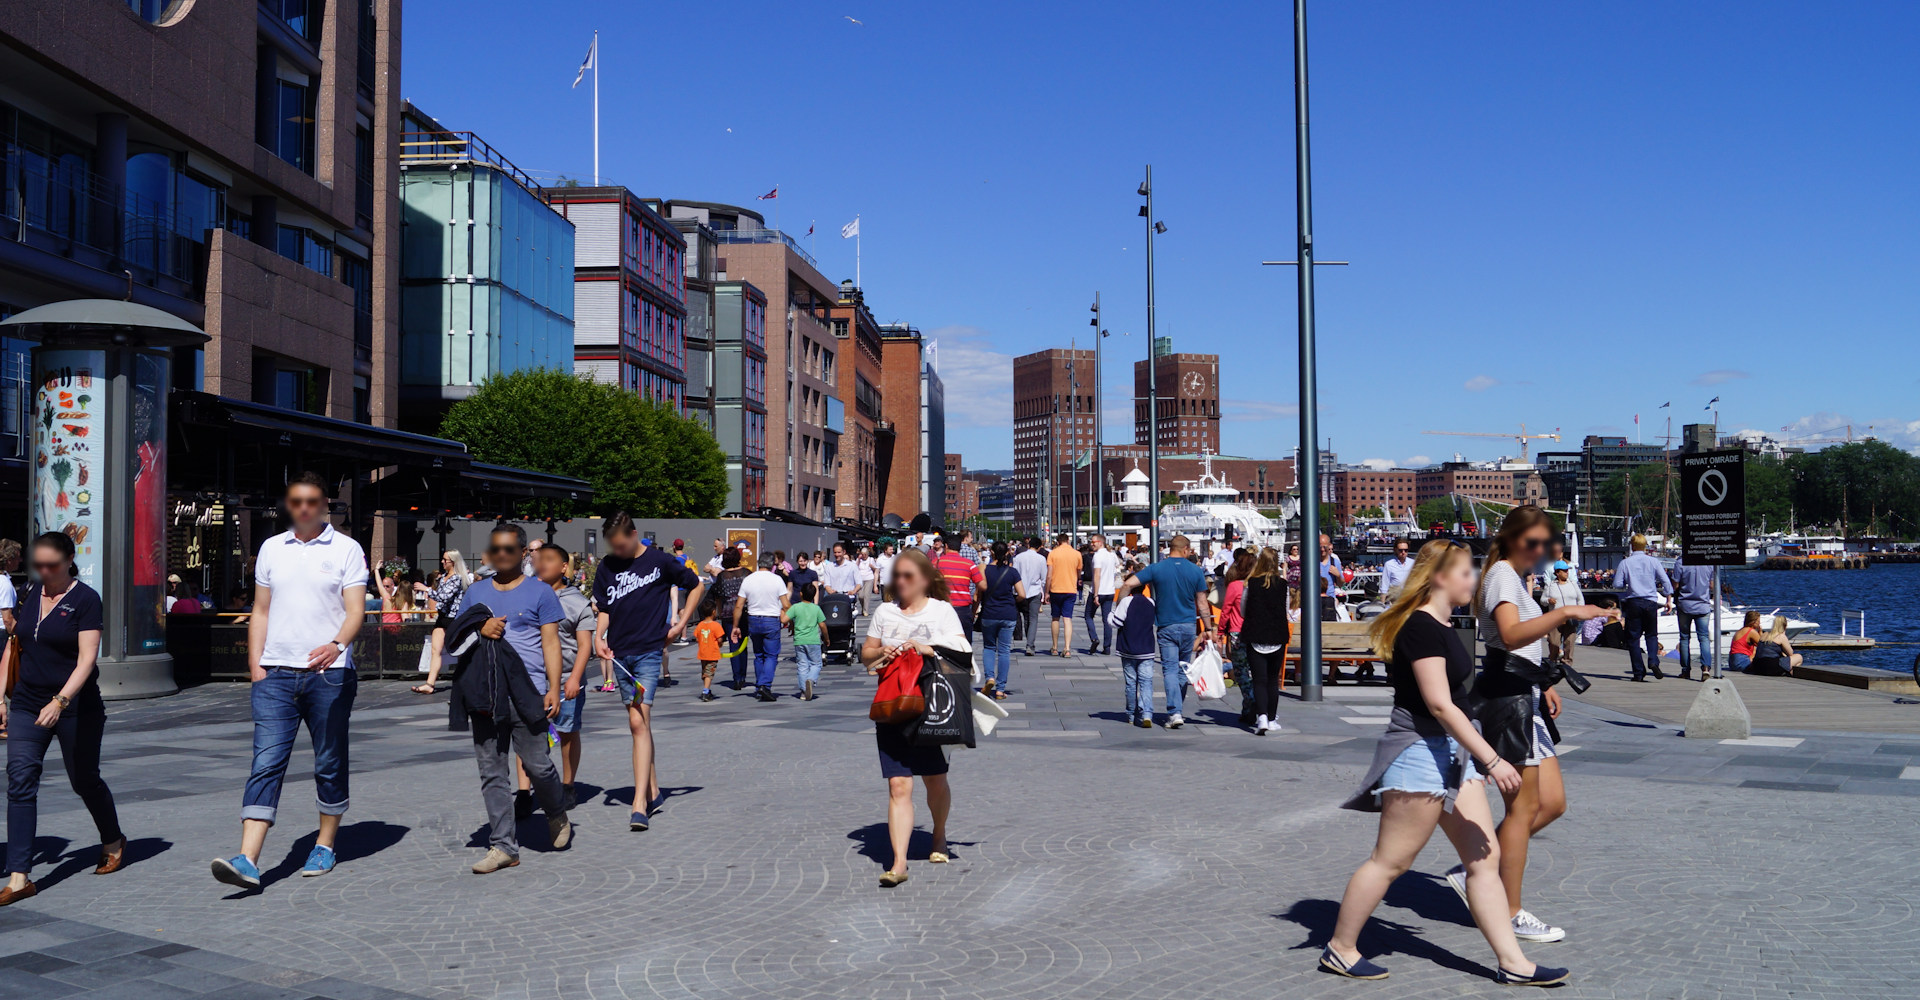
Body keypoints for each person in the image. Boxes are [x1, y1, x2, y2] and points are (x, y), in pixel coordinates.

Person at [1323, 541, 1567, 987]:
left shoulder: (1443, 623)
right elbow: (1439, 704)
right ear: (1439, 576)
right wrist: (1492, 758)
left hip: (1452, 755)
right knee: (1390, 862)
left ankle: (1513, 963)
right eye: (1466, 573)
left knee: (1483, 858)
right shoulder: (1421, 628)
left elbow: (1457, 699)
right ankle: (1341, 948)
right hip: (1420, 752)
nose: (1473, 581)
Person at [1452, 506, 1613, 946]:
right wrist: (1567, 614)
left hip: (1525, 693)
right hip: (1508, 700)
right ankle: (1509, 910)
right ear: (1514, 538)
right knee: (1522, 810)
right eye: (1534, 541)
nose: (1541, 550)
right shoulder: (1503, 574)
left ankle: (1483, 864)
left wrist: (1543, 684)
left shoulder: (1512, 577)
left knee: (1553, 803)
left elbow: (1522, 643)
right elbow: (1509, 635)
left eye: (1545, 542)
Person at [211, 473, 368, 889]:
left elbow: (356, 611)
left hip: (329, 676)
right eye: (296, 501)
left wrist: (337, 645)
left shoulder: (347, 549)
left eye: (312, 501)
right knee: (266, 761)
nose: (304, 508)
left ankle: (326, 844)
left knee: (329, 762)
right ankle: (247, 858)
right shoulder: (271, 548)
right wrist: (255, 664)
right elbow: (260, 610)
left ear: (325, 504)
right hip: (275, 675)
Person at [0, 533, 125, 906]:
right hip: (26, 702)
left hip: (76, 706)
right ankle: (19, 876)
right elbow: (14, 644)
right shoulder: (28, 593)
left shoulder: (86, 600)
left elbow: (87, 659)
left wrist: (61, 701)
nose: (44, 570)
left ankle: (114, 839)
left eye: (52, 564)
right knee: (20, 779)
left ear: (70, 560)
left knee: (84, 779)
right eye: (38, 563)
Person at [449, 525, 572, 873]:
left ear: (523, 554)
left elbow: (551, 643)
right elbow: (456, 636)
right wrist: (480, 627)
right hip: (486, 691)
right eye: (496, 549)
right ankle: (503, 846)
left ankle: (556, 812)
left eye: (509, 549)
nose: (501, 554)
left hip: (528, 691)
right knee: (492, 770)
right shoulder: (476, 592)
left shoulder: (541, 592)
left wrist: (554, 687)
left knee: (537, 765)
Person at [859, 548, 968, 887]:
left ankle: (938, 834)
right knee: (898, 784)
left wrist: (927, 648)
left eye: (908, 575)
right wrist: (882, 652)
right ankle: (899, 862)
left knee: (934, 780)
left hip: (931, 707)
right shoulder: (885, 612)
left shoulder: (942, 611)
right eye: (898, 575)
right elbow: (866, 655)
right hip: (893, 706)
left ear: (924, 579)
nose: (901, 581)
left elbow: (964, 651)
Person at [593, 512, 706, 831]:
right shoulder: (607, 567)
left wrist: (682, 622)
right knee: (641, 724)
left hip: (648, 651)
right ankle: (654, 790)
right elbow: (605, 607)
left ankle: (639, 802)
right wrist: (598, 637)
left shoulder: (659, 561)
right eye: (613, 547)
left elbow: (695, 585)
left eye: (622, 545)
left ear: (634, 534)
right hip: (620, 653)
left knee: (636, 720)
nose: (619, 552)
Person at [1115, 534, 1212, 729]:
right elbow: (1202, 603)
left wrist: (1121, 607)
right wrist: (1208, 628)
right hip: (1188, 626)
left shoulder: (1156, 568)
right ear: (1185, 549)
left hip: (1166, 626)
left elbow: (1127, 584)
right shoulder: (1195, 571)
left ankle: (1174, 712)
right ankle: (1177, 710)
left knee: (1169, 669)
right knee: (1183, 668)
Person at [536, 544, 596, 810]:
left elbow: (585, 645)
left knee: (567, 732)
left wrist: (575, 679)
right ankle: (526, 791)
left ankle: (568, 784)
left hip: (567, 678)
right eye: (538, 560)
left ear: (563, 567)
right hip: (533, 678)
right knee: (528, 734)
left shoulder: (576, 602)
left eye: (549, 560)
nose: (542, 564)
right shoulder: (528, 597)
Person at [1238, 547, 1291, 735]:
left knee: (1258, 680)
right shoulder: (1283, 585)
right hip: (1276, 635)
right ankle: (1271, 718)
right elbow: (1286, 610)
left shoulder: (1250, 584)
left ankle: (1261, 717)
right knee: (1272, 680)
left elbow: (1243, 610)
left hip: (1255, 635)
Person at [1612, 535, 1672, 681]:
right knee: (1651, 635)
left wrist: (1629, 582)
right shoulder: (1653, 561)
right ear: (1645, 546)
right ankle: (1653, 660)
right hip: (1651, 602)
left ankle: (1638, 672)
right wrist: (1668, 599)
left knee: (1633, 638)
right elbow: (1666, 582)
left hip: (1634, 602)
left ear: (1632, 546)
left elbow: (1617, 584)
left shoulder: (1625, 563)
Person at [732, 554, 790, 703]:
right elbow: (786, 605)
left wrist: (735, 626)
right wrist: (791, 621)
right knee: (771, 655)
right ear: (772, 565)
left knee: (759, 655)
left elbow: (739, 605)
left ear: (758, 563)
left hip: (753, 619)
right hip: (771, 619)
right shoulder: (777, 580)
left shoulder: (748, 579)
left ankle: (759, 686)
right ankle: (765, 685)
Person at [976, 541, 1025, 700]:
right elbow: (1022, 594)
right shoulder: (1012, 572)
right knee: (1004, 651)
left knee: (989, 647)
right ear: (1007, 554)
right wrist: (1013, 601)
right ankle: (1000, 689)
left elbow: (979, 593)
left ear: (991, 552)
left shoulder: (985, 570)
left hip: (989, 614)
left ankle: (989, 678)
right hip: (1008, 614)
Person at [1111, 577, 1157, 728]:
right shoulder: (1151, 602)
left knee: (1131, 683)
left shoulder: (1126, 602)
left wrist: (1109, 615)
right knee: (1146, 682)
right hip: (1147, 648)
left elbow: (1116, 622)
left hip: (1128, 648)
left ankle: (1131, 714)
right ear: (1144, 588)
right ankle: (1147, 714)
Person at [1219, 550, 1257, 725]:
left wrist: (1220, 632)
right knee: (1255, 671)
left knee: (1241, 672)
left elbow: (1226, 611)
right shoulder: (1257, 585)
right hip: (1256, 633)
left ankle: (1250, 702)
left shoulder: (1234, 586)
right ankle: (1251, 705)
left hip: (1237, 632)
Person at [710, 547, 751, 690]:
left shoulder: (722, 576)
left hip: (727, 614)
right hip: (744, 613)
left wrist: (720, 613)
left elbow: (718, 598)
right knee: (744, 644)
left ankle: (737, 678)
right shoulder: (746, 573)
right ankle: (743, 676)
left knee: (734, 645)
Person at [1670, 554, 1716, 680]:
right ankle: (1706, 668)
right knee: (1704, 638)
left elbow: (1675, 585)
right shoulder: (1708, 562)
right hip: (1702, 605)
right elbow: (1712, 585)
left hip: (1685, 605)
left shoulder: (1680, 562)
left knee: (1684, 638)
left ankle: (1685, 670)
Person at [786, 582, 827, 700]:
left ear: (800, 594)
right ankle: (811, 679)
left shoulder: (795, 607)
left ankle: (803, 691)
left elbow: (784, 619)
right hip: (813, 640)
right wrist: (827, 638)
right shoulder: (816, 608)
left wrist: (783, 610)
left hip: (799, 641)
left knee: (802, 665)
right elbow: (823, 625)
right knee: (816, 663)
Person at [1538, 562, 1584, 666]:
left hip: (1571, 618)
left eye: (1567, 570)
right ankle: (1553, 661)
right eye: (1564, 571)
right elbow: (1542, 600)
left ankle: (1567, 664)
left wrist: (1580, 612)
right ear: (1557, 572)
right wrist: (1548, 600)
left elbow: (1580, 599)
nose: (1567, 573)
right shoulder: (1550, 585)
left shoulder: (1573, 584)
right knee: (1554, 642)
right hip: (1555, 618)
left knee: (1569, 642)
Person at [1045, 534, 1082, 656]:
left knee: (1055, 618)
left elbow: (1049, 574)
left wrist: (1046, 591)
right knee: (1067, 619)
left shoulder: (1053, 554)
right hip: (1070, 589)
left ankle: (1055, 647)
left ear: (1058, 542)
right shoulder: (1077, 554)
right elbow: (1078, 572)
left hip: (1055, 589)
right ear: (1068, 540)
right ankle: (1067, 648)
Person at [1083, 534, 1121, 655]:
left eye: (1094, 542)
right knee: (1107, 620)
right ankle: (1107, 647)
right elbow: (1119, 564)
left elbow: (1097, 575)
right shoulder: (1111, 555)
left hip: (1099, 591)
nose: (1092, 544)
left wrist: (1095, 594)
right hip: (1110, 591)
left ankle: (1094, 638)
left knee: (1088, 616)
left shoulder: (1097, 556)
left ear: (1101, 542)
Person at [1012, 537, 1048, 655]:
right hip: (1034, 591)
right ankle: (1030, 645)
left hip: (1019, 592)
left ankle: (1017, 638)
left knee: (1019, 616)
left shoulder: (1018, 558)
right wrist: (1044, 592)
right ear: (1039, 547)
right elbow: (1044, 577)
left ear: (1028, 545)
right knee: (1033, 619)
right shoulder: (1041, 559)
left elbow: (1014, 575)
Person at [693, 601, 726, 701]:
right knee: (709, 673)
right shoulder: (716, 626)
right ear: (713, 612)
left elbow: (697, 638)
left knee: (705, 673)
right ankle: (705, 691)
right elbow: (720, 639)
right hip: (712, 654)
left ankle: (707, 689)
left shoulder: (700, 625)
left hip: (702, 653)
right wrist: (720, 644)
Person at [1318, 533, 1344, 622]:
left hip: (1329, 599)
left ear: (1329, 546)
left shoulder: (1334, 562)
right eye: (1319, 547)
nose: (1322, 550)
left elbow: (1341, 584)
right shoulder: (1312, 561)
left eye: (1324, 547)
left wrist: (1338, 575)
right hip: (1314, 599)